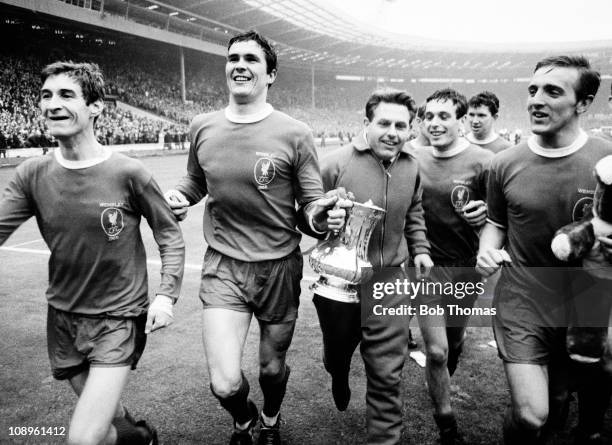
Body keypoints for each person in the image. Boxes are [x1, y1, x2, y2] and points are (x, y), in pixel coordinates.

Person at [163, 31, 348, 445]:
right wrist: (179, 197)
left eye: (251, 59)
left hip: (279, 267)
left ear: (271, 74)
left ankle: (270, 416)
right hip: (223, 265)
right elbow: (195, 182)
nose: (239, 65)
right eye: (233, 58)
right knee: (225, 383)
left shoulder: (295, 133)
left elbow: (311, 209)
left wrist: (325, 218)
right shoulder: (202, 126)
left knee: (270, 369)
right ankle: (244, 419)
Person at [0, 61, 185, 445]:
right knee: (109, 427)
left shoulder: (128, 172)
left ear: (96, 107)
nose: (52, 104)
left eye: (66, 95)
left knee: (83, 438)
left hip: (117, 317)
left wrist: (166, 294)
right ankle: (141, 439)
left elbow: (169, 233)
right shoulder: (31, 174)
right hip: (64, 317)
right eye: (46, 95)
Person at [477, 55, 612, 445]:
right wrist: (487, 251)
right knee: (531, 416)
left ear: (583, 103)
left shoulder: (606, 161)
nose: (537, 99)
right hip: (523, 298)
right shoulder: (504, 163)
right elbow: (496, 225)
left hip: (586, 300)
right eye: (533, 89)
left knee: (557, 401)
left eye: (553, 91)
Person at [308, 88, 432, 445]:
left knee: (386, 373)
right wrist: (322, 222)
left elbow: (415, 213)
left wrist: (420, 249)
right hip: (339, 281)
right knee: (338, 352)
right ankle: (338, 371)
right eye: (384, 123)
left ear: (411, 129)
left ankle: (384, 438)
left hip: (389, 280)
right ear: (367, 124)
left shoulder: (412, 165)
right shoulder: (335, 163)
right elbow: (307, 213)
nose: (393, 131)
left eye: (401, 125)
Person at [411, 88, 493, 445]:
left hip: (466, 268)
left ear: (462, 121)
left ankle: (444, 369)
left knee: (455, 341)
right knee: (437, 350)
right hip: (425, 267)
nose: (434, 123)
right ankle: (448, 428)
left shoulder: (484, 162)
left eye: (444, 116)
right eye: (428, 116)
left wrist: (487, 215)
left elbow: (500, 218)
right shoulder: (410, 156)